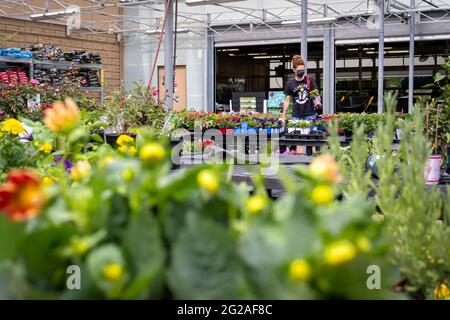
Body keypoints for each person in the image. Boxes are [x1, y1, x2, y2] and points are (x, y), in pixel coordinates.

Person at [281, 55, 322, 121]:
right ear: (294, 70)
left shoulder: (310, 80)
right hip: (296, 116)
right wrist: (283, 115)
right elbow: (287, 100)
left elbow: (316, 95)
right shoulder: (290, 84)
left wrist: (314, 96)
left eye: (303, 70)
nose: (301, 72)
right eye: (299, 70)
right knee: (296, 131)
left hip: (310, 114)